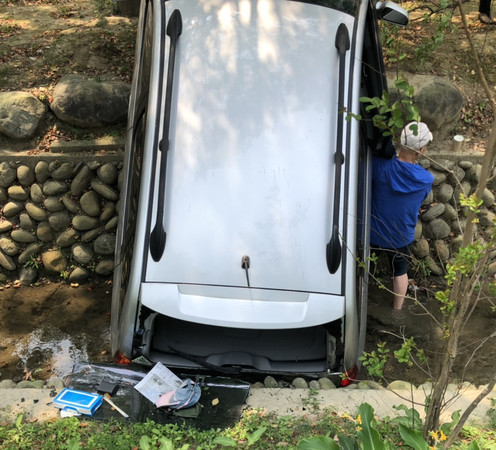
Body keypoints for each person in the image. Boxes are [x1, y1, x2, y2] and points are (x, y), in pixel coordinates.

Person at [370, 122, 434, 311]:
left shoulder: (379, 167)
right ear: (421, 150)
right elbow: (421, 199)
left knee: (364, 268)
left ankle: (360, 298)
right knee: (400, 271)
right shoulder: (426, 179)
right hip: (401, 236)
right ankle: (397, 311)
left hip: (373, 233)